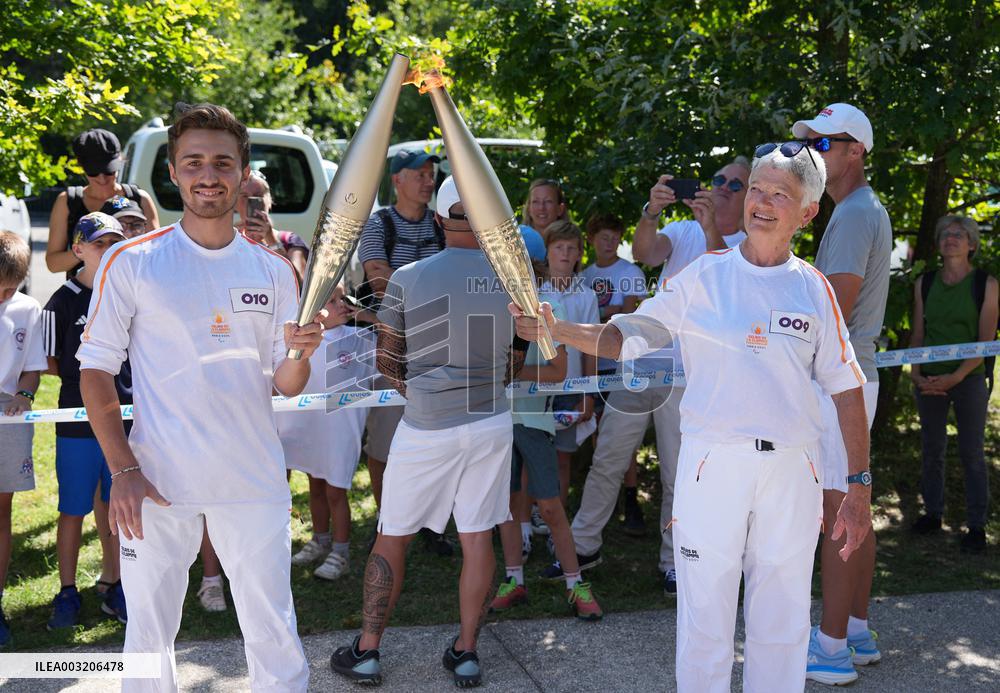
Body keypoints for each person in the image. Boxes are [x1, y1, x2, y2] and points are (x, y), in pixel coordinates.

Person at [511, 142, 873, 692]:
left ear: (807, 212)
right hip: (712, 466)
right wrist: (553, 329)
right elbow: (625, 337)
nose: (762, 202)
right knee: (705, 612)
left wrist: (858, 486)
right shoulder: (705, 276)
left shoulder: (814, 288)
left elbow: (848, 390)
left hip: (792, 473)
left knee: (782, 613)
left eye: (781, 193)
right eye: (756, 188)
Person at [77, 102, 323, 692]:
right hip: (156, 481)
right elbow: (94, 373)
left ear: (242, 172)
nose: (207, 174)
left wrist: (301, 353)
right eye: (193, 163)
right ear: (173, 171)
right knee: (148, 637)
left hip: (252, 478)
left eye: (221, 162)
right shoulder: (131, 262)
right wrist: (124, 470)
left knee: (272, 630)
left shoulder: (274, 271)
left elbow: (284, 384)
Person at [330, 176, 525, 688]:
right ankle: (467, 652)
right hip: (490, 420)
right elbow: (517, 360)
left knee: (393, 534)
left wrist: (422, 393)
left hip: (428, 423)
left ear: (438, 219)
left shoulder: (409, 277)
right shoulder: (514, 274)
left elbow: (389, 362)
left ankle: (368, 652)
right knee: (478, 537)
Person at [571, 158, 749, 595]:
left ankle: (674, 561)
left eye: (734, 183)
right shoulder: (684, 229)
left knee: (678, 470)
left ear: (748, 194)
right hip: (644, 358)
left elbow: (721, 280)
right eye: (718, 179)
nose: (723, 186)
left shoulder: (748, 241)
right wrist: (651, 212)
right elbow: (645, 253)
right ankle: (581, 545)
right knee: (609, 455)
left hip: (693, 370)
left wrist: (710, 227)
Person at [791, 103, 892, 684]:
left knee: (838, 512)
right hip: (853, 380)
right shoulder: (855, 209)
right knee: (853, 506)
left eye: (826, 144)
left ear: (857, 150)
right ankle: (854, 631)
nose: (815, 153)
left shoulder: (853, 214)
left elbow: (836, 308)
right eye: (810, 144)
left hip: (840, 384)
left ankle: (830, 649)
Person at [356, 148, 452, 556]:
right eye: (420, 174)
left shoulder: (442, 225)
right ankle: (386, 519)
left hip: (438, 345)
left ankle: (430, 523)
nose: (429, 180)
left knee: (438, 437)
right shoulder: (377, 224)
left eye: (432, 174)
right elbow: (378, 281)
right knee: (383, 438)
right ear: (397, 180)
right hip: (392, 345)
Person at [489, 298, 604, 621]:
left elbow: (558, 371)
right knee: (508, 506)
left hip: (535, 422)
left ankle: (576, 584)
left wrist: (509, 369)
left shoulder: (546, 309)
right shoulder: (486, 306)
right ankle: (514, 580)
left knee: (550, 506)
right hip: (495, 422)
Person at [42, 212, 129, 629]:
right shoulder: (62, 300)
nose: (109, 251)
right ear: (77, 250)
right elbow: (50, 361)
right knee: (73, 508)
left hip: (124, 418)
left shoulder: (131, 293)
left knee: (119, 507)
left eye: (115, 242)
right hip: (76, 421)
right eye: (99, 244)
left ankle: (115, 584)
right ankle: (66, 591)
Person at [910, 215, 997, 553]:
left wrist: (955, 377)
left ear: (972, 245)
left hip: (969, 378)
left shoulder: (986, 285)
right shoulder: (925, 283)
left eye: (960, 234)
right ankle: (932, 514)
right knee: (932, 448)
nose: (951, 238)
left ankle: (976, 526)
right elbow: (917, 334)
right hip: (929, 378)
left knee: (971, 452)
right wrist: (916, 374)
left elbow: (985, 342)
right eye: (945, 233)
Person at [280, 283, 377, 580]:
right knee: (315, 485)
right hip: (312, 428)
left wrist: (369, 316)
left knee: (337, 490)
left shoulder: (361, 338)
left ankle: (341, 550)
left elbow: (391, 344)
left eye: (343, 298)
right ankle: (320, 540)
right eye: (332, 300)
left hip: (341, 431)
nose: (342, 304)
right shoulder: (303, 343)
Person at [581, 213, 649, 534]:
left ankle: (632, 500)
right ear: (591, 239)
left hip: (626, 365)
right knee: (599, 435)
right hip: (595, 364)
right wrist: (612, 311)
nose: (609, 242)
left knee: (626, 439)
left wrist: (603, 312)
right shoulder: (583, 276)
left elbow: (632, 312)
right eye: (603, 236)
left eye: (614, 236)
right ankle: (603, 504)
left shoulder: (630, 272)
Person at [0, 230, 46, 646]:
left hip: (8, 420)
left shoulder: (29, 309)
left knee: (1, 512)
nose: (3, 295)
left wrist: (24, 395)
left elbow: (33, 367)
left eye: (9, 289)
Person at [538, 220, 599, 515]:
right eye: (558, 247)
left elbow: (592, 348)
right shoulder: (533, 293)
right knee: (530, 457)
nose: (564, 253)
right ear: (547, 252)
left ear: (579, 256)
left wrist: (589, 394)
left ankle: (556, 520)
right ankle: (528, 520)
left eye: (571, 248)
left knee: (562, 458)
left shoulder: (586, 295)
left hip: (571, 388)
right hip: (535, 390)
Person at [46, 128, 159, 273]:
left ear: (120, 162)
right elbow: (53, 264)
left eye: (109, 170)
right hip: (86, 292)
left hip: (130, 288)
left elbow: (157, 254)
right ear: (81, 167)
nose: (102, 178)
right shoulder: (68, 201)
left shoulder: (139, 198)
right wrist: (88, 251)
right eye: (93, 172)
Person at [236, 170, 308, 279]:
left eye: (258, 196)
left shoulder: (290, 240)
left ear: (269, 201)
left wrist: (271, 240)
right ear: (235, 203)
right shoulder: (227, 239)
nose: (250, 201)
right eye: (244, 196)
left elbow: (297, 284)